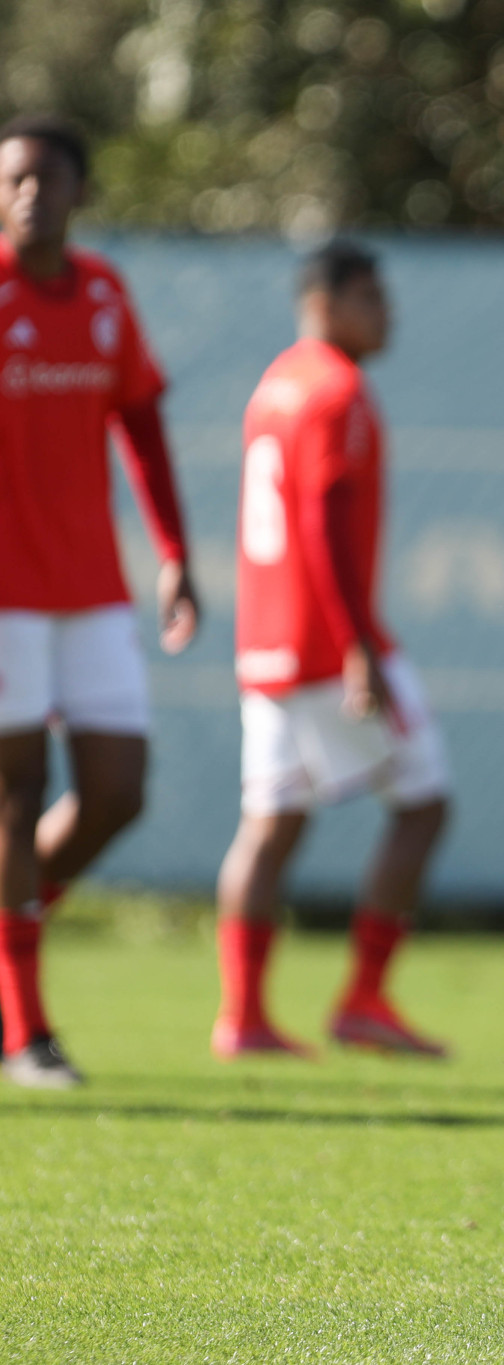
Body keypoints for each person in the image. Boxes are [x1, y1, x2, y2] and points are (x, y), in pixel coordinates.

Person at [212, 241, 451, 1061]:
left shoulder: (276, 383)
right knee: (425, 800)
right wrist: (358, 646)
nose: (387, 314)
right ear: (328, 301)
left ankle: (241, 1016)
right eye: (372, 298)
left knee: (269, 822)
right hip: (328, 644)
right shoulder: (335, 387)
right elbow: (319, 523)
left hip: (267, 642)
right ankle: (364, 998)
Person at [0, 115, 200, 1089]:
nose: (29, 192)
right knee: (16, 793)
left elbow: (143, 422)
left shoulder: (106, 295)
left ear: (79, 191)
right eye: (13, 179)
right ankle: (26, 1030)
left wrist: (172, 552)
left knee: (117, 791)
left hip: (89, 590)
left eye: (46, 177)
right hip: (4, 596)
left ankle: (13, 920)